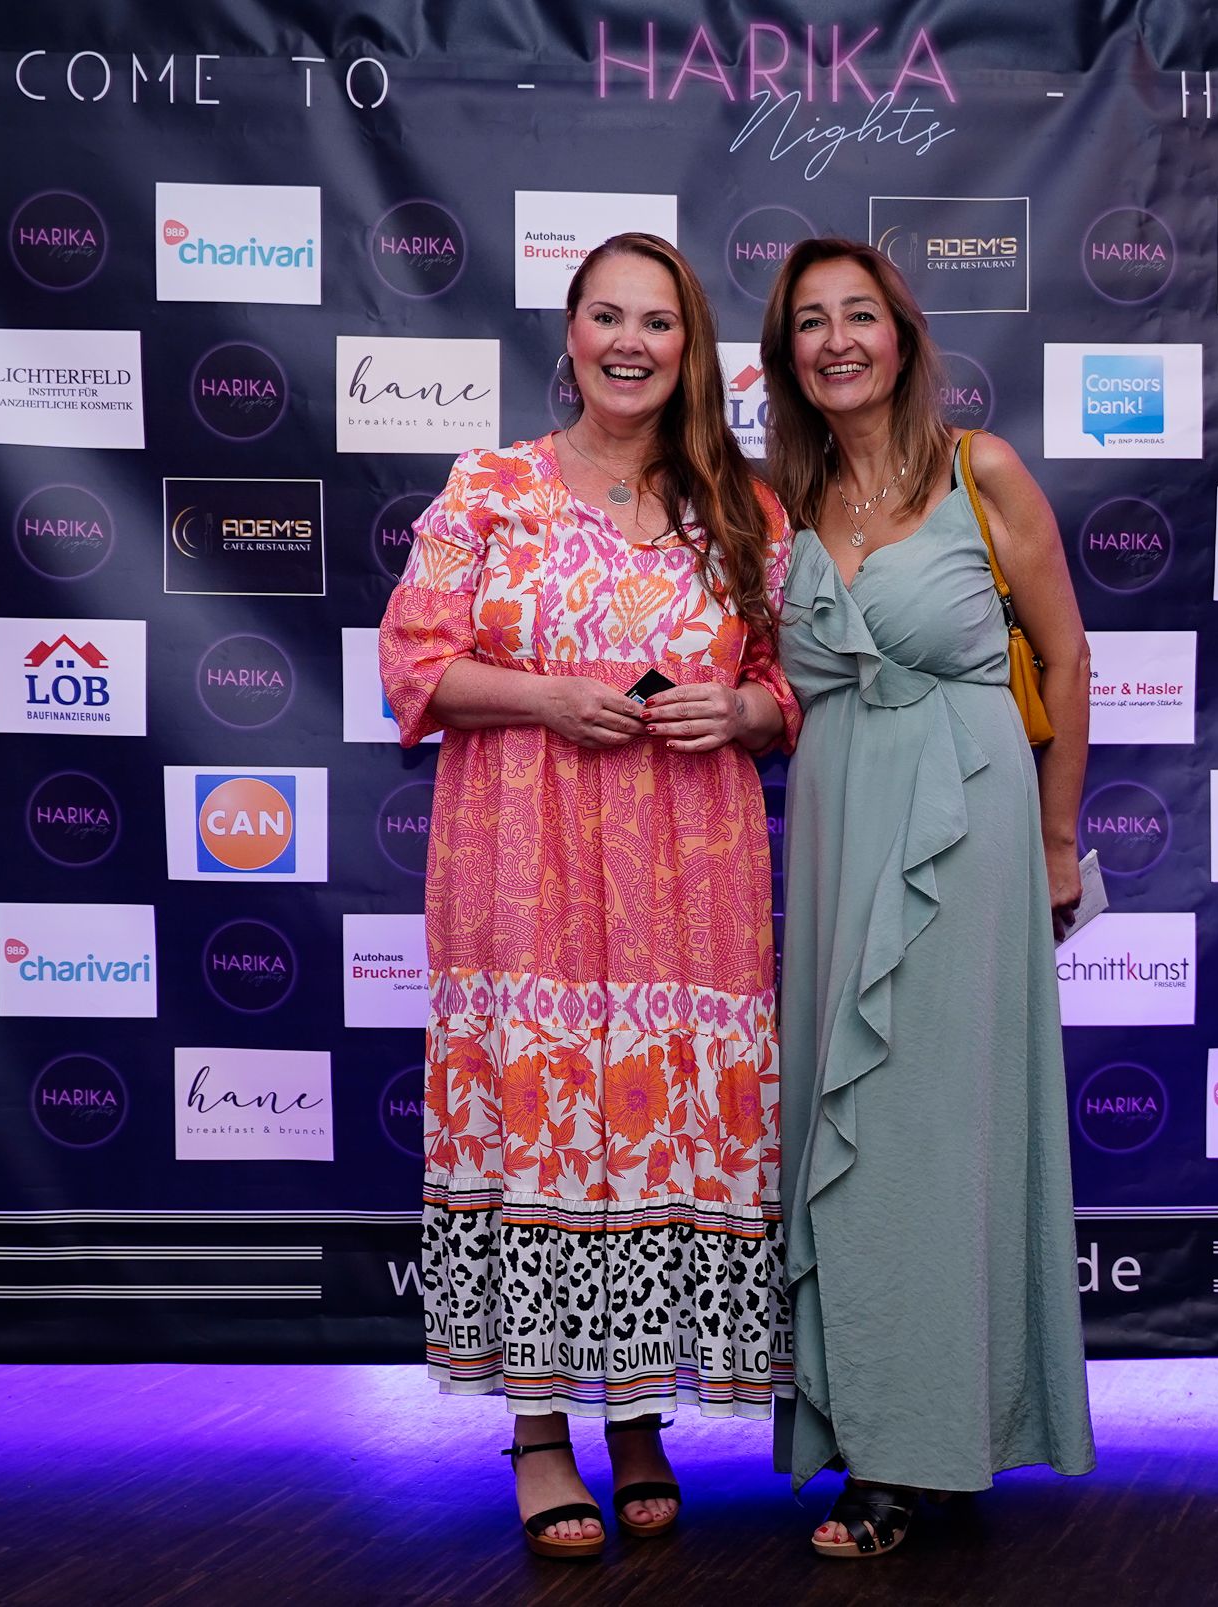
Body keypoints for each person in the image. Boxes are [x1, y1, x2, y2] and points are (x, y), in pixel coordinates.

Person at [378, 232, 800, 1560]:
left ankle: (638, 1417)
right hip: (524, 860)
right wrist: (546, 698)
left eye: (657, 322)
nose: (631, 343)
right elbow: (414, 669)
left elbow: (794, 687)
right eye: (607, 316)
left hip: (691, 872)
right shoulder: (491, 486)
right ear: (569, 334)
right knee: (542, 1122)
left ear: (691, 346)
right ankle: (542, 1429)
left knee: (657, 1126)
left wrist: (746, 711)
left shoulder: (746, 506)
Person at [760, 238, 1097, 1557]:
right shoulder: (781, 499)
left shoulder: (981, 470)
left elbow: (1066, 660)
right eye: (810, 323)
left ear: (901, 336)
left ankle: (918, 1451)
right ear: (786, 356)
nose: (838, 341)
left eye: (860, 316)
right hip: (838, 828)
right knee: (845, 1132)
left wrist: (1060, 841)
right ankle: (876, 1424)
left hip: (967, 829)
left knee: (937, 1136)